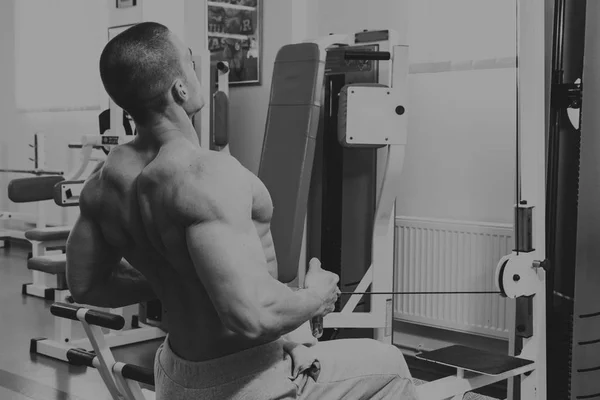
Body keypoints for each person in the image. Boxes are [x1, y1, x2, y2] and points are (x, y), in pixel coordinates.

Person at [66, 21, 418, 400]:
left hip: (175, 374)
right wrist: (317, 295)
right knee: (391, 365)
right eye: (190, 61)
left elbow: (87, 284)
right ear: (180, 88)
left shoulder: (103, 183)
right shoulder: (206, 174)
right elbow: (252, 317)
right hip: (247, 382)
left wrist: (177, 276)